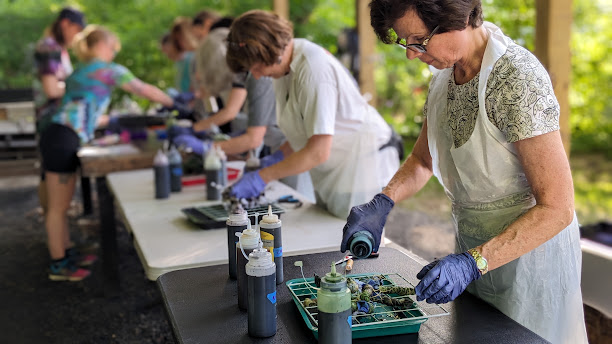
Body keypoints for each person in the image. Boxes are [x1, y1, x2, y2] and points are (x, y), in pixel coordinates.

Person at [340, 1, 588, 343]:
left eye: (419, 40)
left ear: (458, 19)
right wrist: (383, 201)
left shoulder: (516, 77)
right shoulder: (443, 76)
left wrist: (473, 263)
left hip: (530, 263)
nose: (412, 55)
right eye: (405, 42)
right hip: (472, 253)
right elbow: (423, 161)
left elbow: (557, 207)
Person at [225, 10, 400, 219]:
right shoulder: (284, 68)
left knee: (356, 239)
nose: (255, 74)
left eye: (256, 66)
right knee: (330, 232)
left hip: (363, 161)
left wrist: (263, 177)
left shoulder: (312, 70)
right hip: (338, 165)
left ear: (269, 50)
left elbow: (318, 151)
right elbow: (307, 129)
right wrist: (277, 158)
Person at [40, 25, 176, 281]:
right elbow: (143, 89)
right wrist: (175, 103)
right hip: (63, 135)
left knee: (61, 205)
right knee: (58, 208)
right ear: (102, 45)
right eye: (113, 48)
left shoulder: (80, 70)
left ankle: (67, 253)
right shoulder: (108, 70)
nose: (114, 54)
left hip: (59, 133)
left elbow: (83, 107)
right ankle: (58, 265)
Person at [175, 27, 313, 198]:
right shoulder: (245, 75)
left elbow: (252, 138)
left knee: (293, 205)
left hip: (293, 151)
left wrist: (206, 147)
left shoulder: (258, 77)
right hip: (279, 146)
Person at [33, 7, 86, 214]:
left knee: (48, 176)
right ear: (65, 24)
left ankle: (52, 227)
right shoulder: (49, 46)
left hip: (54, 122)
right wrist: (82, 89)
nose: (78, 36)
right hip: (53, 123)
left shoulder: (59, 49)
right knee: (52, 185)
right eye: (77, 29)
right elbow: (52, 89)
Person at [170, 17, 198, 93]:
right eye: (178, 40)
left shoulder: (193, 56)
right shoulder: (184, 58)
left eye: (181, 38)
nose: (181, 43)